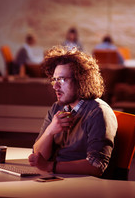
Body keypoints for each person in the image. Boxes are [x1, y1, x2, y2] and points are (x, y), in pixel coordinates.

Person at [28, 46, 117, 177]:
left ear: (81, 81)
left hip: (82, 185)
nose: (56, 86)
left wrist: (50, 166)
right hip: (55, 178)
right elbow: (38, 155)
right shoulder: (56, 108)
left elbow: (96, 166)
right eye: (55, 80)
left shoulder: (98, 112)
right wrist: (50, 131)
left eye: (62, 80)